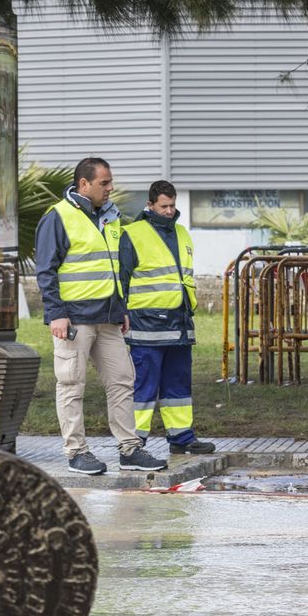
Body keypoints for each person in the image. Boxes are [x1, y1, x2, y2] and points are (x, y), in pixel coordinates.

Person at [35, 157, 165, 475]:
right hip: (74, 320)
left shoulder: (110, 217)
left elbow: (113, 267)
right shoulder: (58, 217)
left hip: (107, 317)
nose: (110, 189)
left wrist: (120, 309)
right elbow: (46, 270)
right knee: (71, 385)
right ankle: (77, 452)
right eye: (104, 183)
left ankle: (130, 449)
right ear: (84, 184)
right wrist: (56, 314)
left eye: (110, 183)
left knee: (123, 381)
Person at [118, 179, 214, 455]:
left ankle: (182, 437)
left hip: (180, 324)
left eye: (173, 205)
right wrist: (121, 312)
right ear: (150, 205)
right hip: (147, 326)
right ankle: (134, 443)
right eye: (164, 206)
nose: (170, 211)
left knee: (179, 385)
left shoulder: (182, 233)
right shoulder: (133, 234)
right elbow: (121, 279)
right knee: (144, 386)